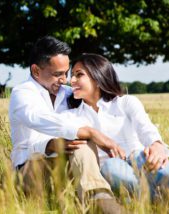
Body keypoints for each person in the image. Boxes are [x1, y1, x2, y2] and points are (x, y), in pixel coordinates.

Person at [9, 36, 125, 212]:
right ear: (36, 71)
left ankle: (100, 199)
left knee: (80, 144)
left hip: (69, 169)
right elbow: (36, 118)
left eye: (66, 72)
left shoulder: (69, 93)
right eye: (57, 74)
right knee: (81, 138)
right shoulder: (22, 93)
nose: (64, 79)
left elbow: (105, 110)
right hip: (30, 172)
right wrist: (55, 143)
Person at [68, 53, 169, 200]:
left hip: (141, 161)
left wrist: (157, 145)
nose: (71, 80)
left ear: (97, 78)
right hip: (114, 172)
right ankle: (157, 198)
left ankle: (151, 195)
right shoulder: (74, 116)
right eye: (72, 75)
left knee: (144, 156)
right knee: (111, 167)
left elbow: (146, 128)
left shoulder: (126, 102)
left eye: (79, 75)